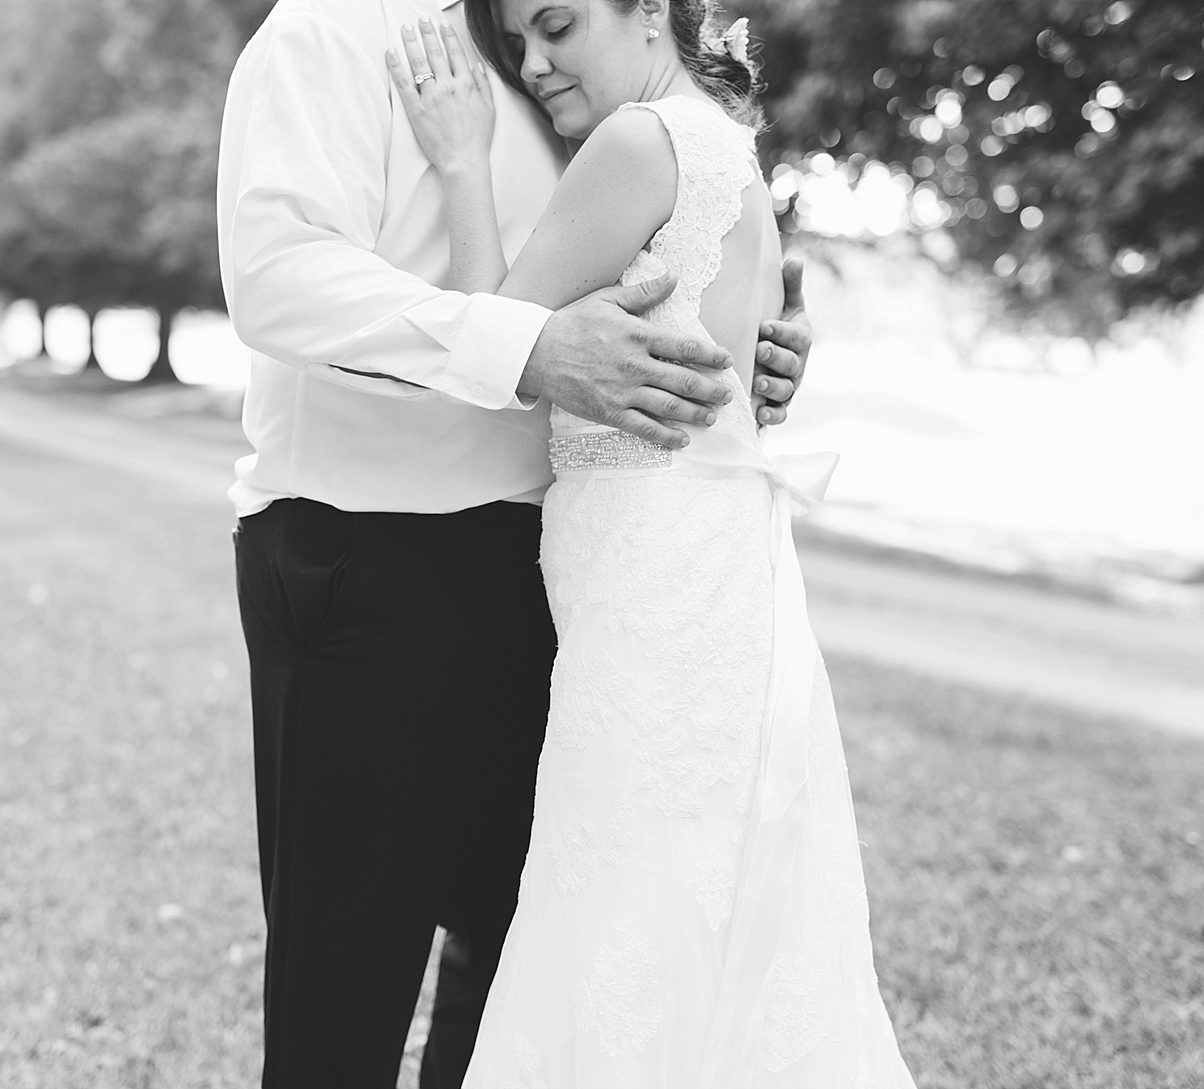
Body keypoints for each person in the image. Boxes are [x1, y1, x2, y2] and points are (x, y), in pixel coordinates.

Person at [216, 0, 814, 1082]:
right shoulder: (328, 32)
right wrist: (527, 347)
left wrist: (751, 346)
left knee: (527, 976)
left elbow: (668, 255)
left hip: (572, 583)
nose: (539, 60)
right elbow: (273, 275)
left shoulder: (565, 70)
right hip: (369, 564)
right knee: (343, 1001)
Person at [381, 0, 917, 1084]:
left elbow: (492, 343)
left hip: (656, 585)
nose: (530, 64)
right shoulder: (725, 149)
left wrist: (457, 161)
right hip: (715, 567)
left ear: (642, 8)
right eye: (517, 43)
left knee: (622, 888)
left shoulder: (639, 141)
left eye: (555, 26)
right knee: (695, 888)